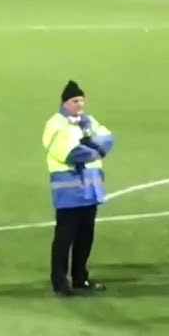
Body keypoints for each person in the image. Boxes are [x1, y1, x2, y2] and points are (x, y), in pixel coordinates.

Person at [44, 80, 114, 297]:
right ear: (65, 102)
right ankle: (60, 282)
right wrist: (94, 149)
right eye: (75, 101)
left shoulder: (88, 121)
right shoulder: (56, 124)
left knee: (86, 236)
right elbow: (69, 152)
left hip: (90, 189)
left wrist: (93, 146)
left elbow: (108, 139)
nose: (79, 105)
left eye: (82, 100)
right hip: (69, 190)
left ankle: (80, 278)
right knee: (65, 237)